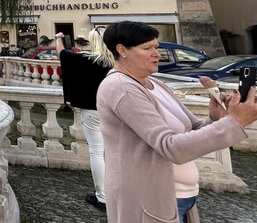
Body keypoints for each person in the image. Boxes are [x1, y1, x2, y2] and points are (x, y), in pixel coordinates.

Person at [97, 21, 257, 223]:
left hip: (182, 196)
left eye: (156, 47)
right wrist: (235, 122)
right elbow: (171, 147)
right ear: (122, 50)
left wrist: (216, 118)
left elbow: (193, 131)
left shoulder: (156, 84)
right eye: (147, 48)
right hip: (149, 200)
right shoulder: (121, 88)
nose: (157, 53)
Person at [56, 28, 112, 212]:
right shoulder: (117, 62)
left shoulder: (85, 59)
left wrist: (59, 38)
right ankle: (119, 193)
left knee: (97, 152)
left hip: (92, 110)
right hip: (116, 111)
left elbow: (62, 54)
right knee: (115, 152)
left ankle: (103, 197)